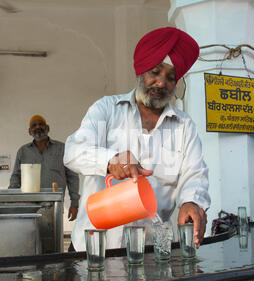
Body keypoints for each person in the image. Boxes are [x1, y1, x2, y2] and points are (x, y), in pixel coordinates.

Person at [64, 27, 211, 252]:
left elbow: (195, 174)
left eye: (170, 78)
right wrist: (111, 160)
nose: (161, 83)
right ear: (141, 71)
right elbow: (73, 151)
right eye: (155, 72)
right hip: (93, 248)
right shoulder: (107, 109)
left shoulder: (184, 126)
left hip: (151, 251)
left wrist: (192, 201)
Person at [9, 115, 80, 221]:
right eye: (34, 125)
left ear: (48, 128)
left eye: (41, 124)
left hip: (54, 205)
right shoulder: (23, 151)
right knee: (30, 236)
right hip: (28, 205)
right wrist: (11, 200)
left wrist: (74, 203)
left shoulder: (62, 149)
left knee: (53, 236)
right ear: (29, 131)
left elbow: (72, 177)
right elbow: (16, 176)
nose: (38, 127)